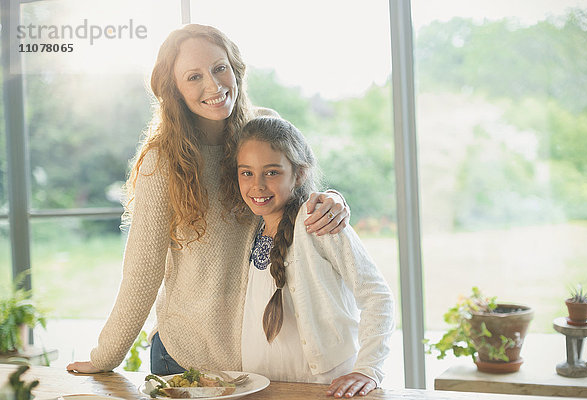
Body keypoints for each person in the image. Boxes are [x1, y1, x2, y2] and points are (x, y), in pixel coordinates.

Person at [66, 24, 349, 375]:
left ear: (235, 67)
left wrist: (332, 200)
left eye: (219, 68)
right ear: (175, 90)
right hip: (184, 357)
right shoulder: (163, 160)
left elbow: (300, 202)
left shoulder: (266, 128)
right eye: (194, 77)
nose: (213, 86)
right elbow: (142, 271)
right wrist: (104, 358)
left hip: (263, 351)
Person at [222, 117, 395, 398]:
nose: (258, 186)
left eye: (272, 172)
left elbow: (377, 295)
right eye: (247, 173)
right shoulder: (250, 228)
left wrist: (368, 369)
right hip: (261, 386)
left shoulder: (318, 221)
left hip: (322, 386)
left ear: (299, 174)